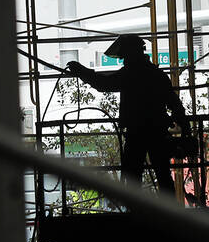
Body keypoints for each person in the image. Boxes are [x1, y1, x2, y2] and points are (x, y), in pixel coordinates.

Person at [65, 34, 191, 195]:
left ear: (130, 53)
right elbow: (175, 104)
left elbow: (104, 83)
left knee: (132, 180)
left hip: (136, 133)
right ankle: (170, 216)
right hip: (157, 133)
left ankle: (136, 214)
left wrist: (82, 71)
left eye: (124, 55)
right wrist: (186, 130)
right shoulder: (157, 74)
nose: (123, 59)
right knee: (164, 177)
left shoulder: (129, 74)